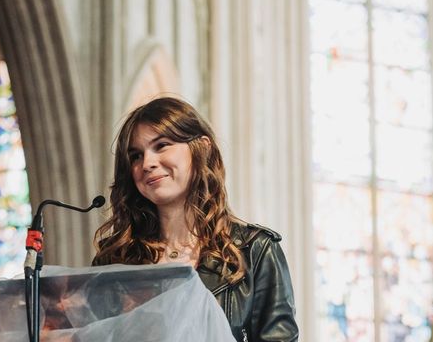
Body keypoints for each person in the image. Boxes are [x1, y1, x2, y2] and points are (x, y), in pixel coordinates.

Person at [92, 97, 299, 341]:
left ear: (202, 147)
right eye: (136, 156)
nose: (147, 163)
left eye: (162, 146)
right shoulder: (114, 258)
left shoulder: (256, 250)